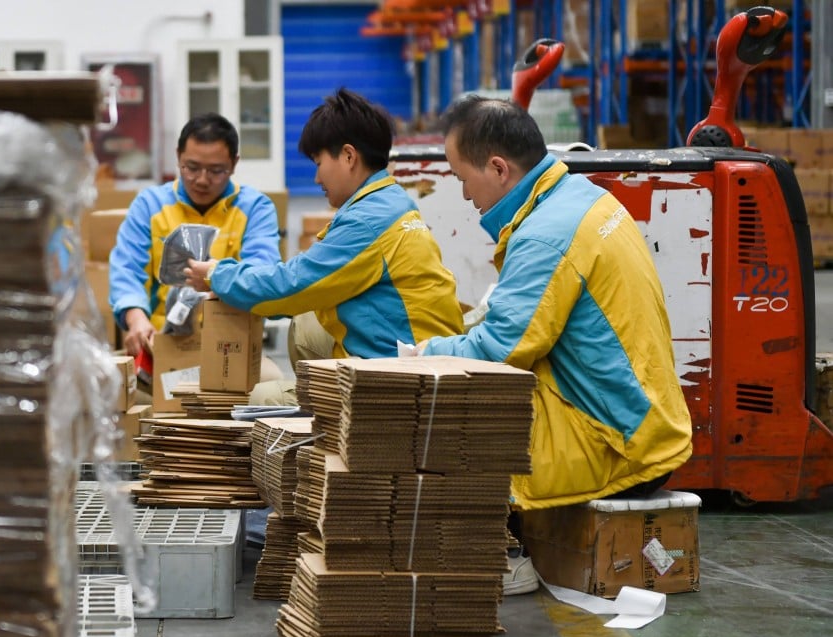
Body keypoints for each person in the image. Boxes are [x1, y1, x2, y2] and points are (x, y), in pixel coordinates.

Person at [416, 95, 693, 593]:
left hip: (619, 445)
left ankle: (508, 557)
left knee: (458, 411)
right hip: (647, 422)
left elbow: (501, 350)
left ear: (498, 168)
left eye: (462, 178)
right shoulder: (583, 198)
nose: (463, 195)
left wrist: (424, 355)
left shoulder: (546, 235)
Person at [183, 88, 463, 378]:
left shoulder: (366, 220)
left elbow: (292, 285)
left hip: (405, 373)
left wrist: (217, 274)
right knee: (307, 323)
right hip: (417, 352)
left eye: (319, 164)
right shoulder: (391, 200)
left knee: (263, 397)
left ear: (348, 156)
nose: (317, 178)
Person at [109, 112, 282, 359]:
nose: (202, 180)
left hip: (231, 348)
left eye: (216, 170)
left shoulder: (256, 208)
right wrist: (136, 318)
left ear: (234, 164)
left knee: (265, 393)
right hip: (160, 345)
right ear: (178, 156)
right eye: (191, 167)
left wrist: (218, 281)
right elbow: (126, 270)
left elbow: (262, 270)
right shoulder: (149, 205)